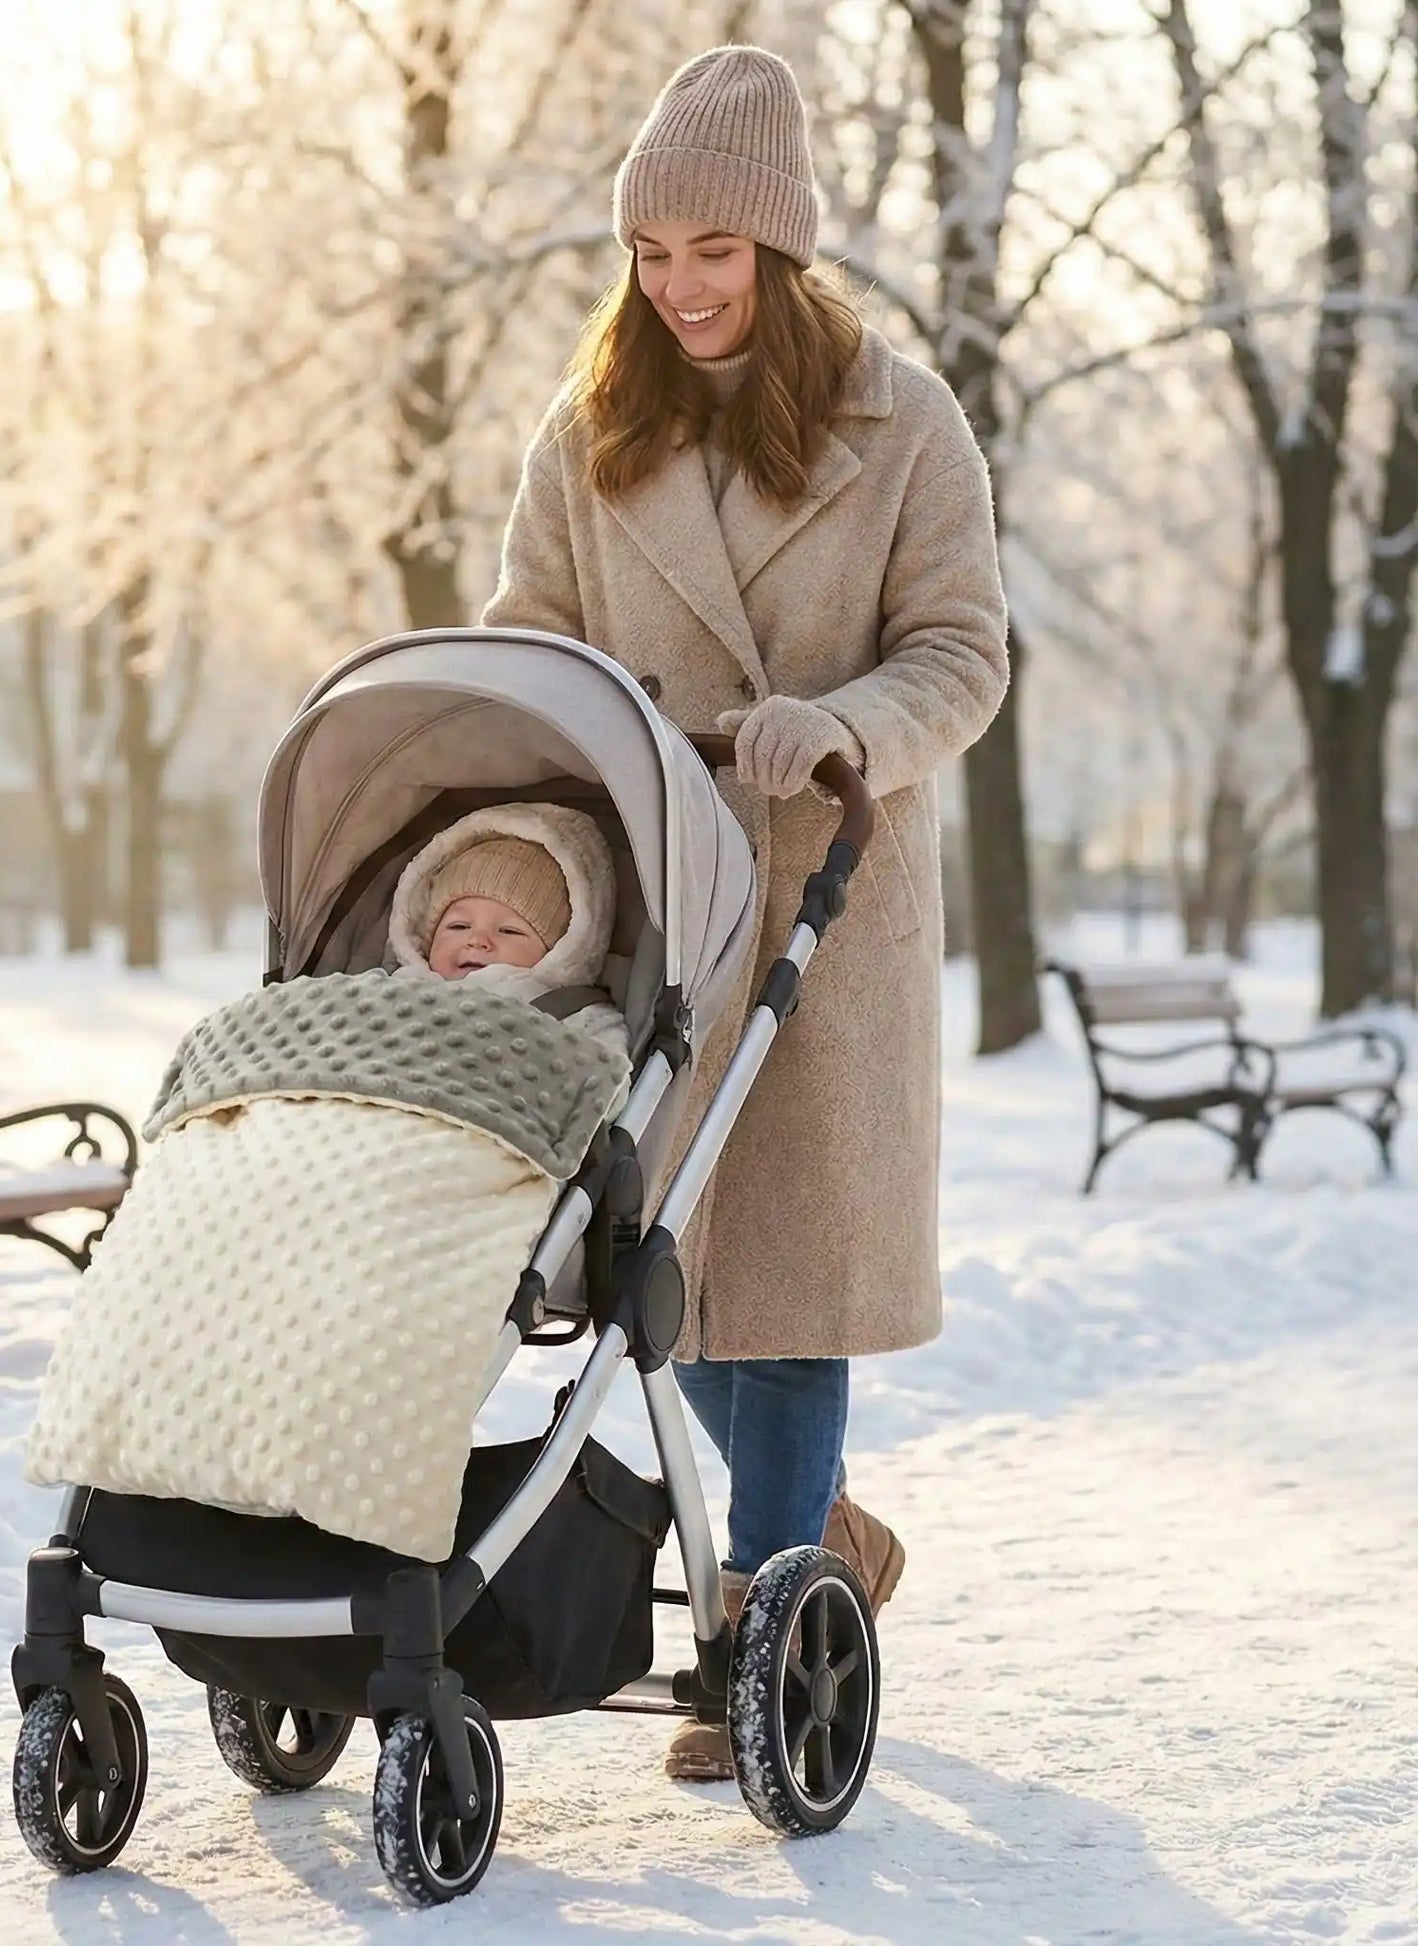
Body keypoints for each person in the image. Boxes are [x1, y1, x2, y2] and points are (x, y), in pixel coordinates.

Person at [481, 44, 1010, 1780]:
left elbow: (962, 654)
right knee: (648, 1258)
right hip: (647, 893)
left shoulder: (903, 420)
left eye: (713, 249)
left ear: (777, 252)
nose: (681, 286)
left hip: (821, 904)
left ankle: (762, 1626)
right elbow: (527, 634)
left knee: (775, 1280)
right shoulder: (589, 433)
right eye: (651, 252)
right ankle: (826, 1548)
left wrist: (845, 724)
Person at [387, 801, 630, 1068]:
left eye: (508, 931)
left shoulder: (574, 1012)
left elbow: (606, 1072)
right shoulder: (397, 987)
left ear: (559, 950)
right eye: (459, 927)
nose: (477, 940)